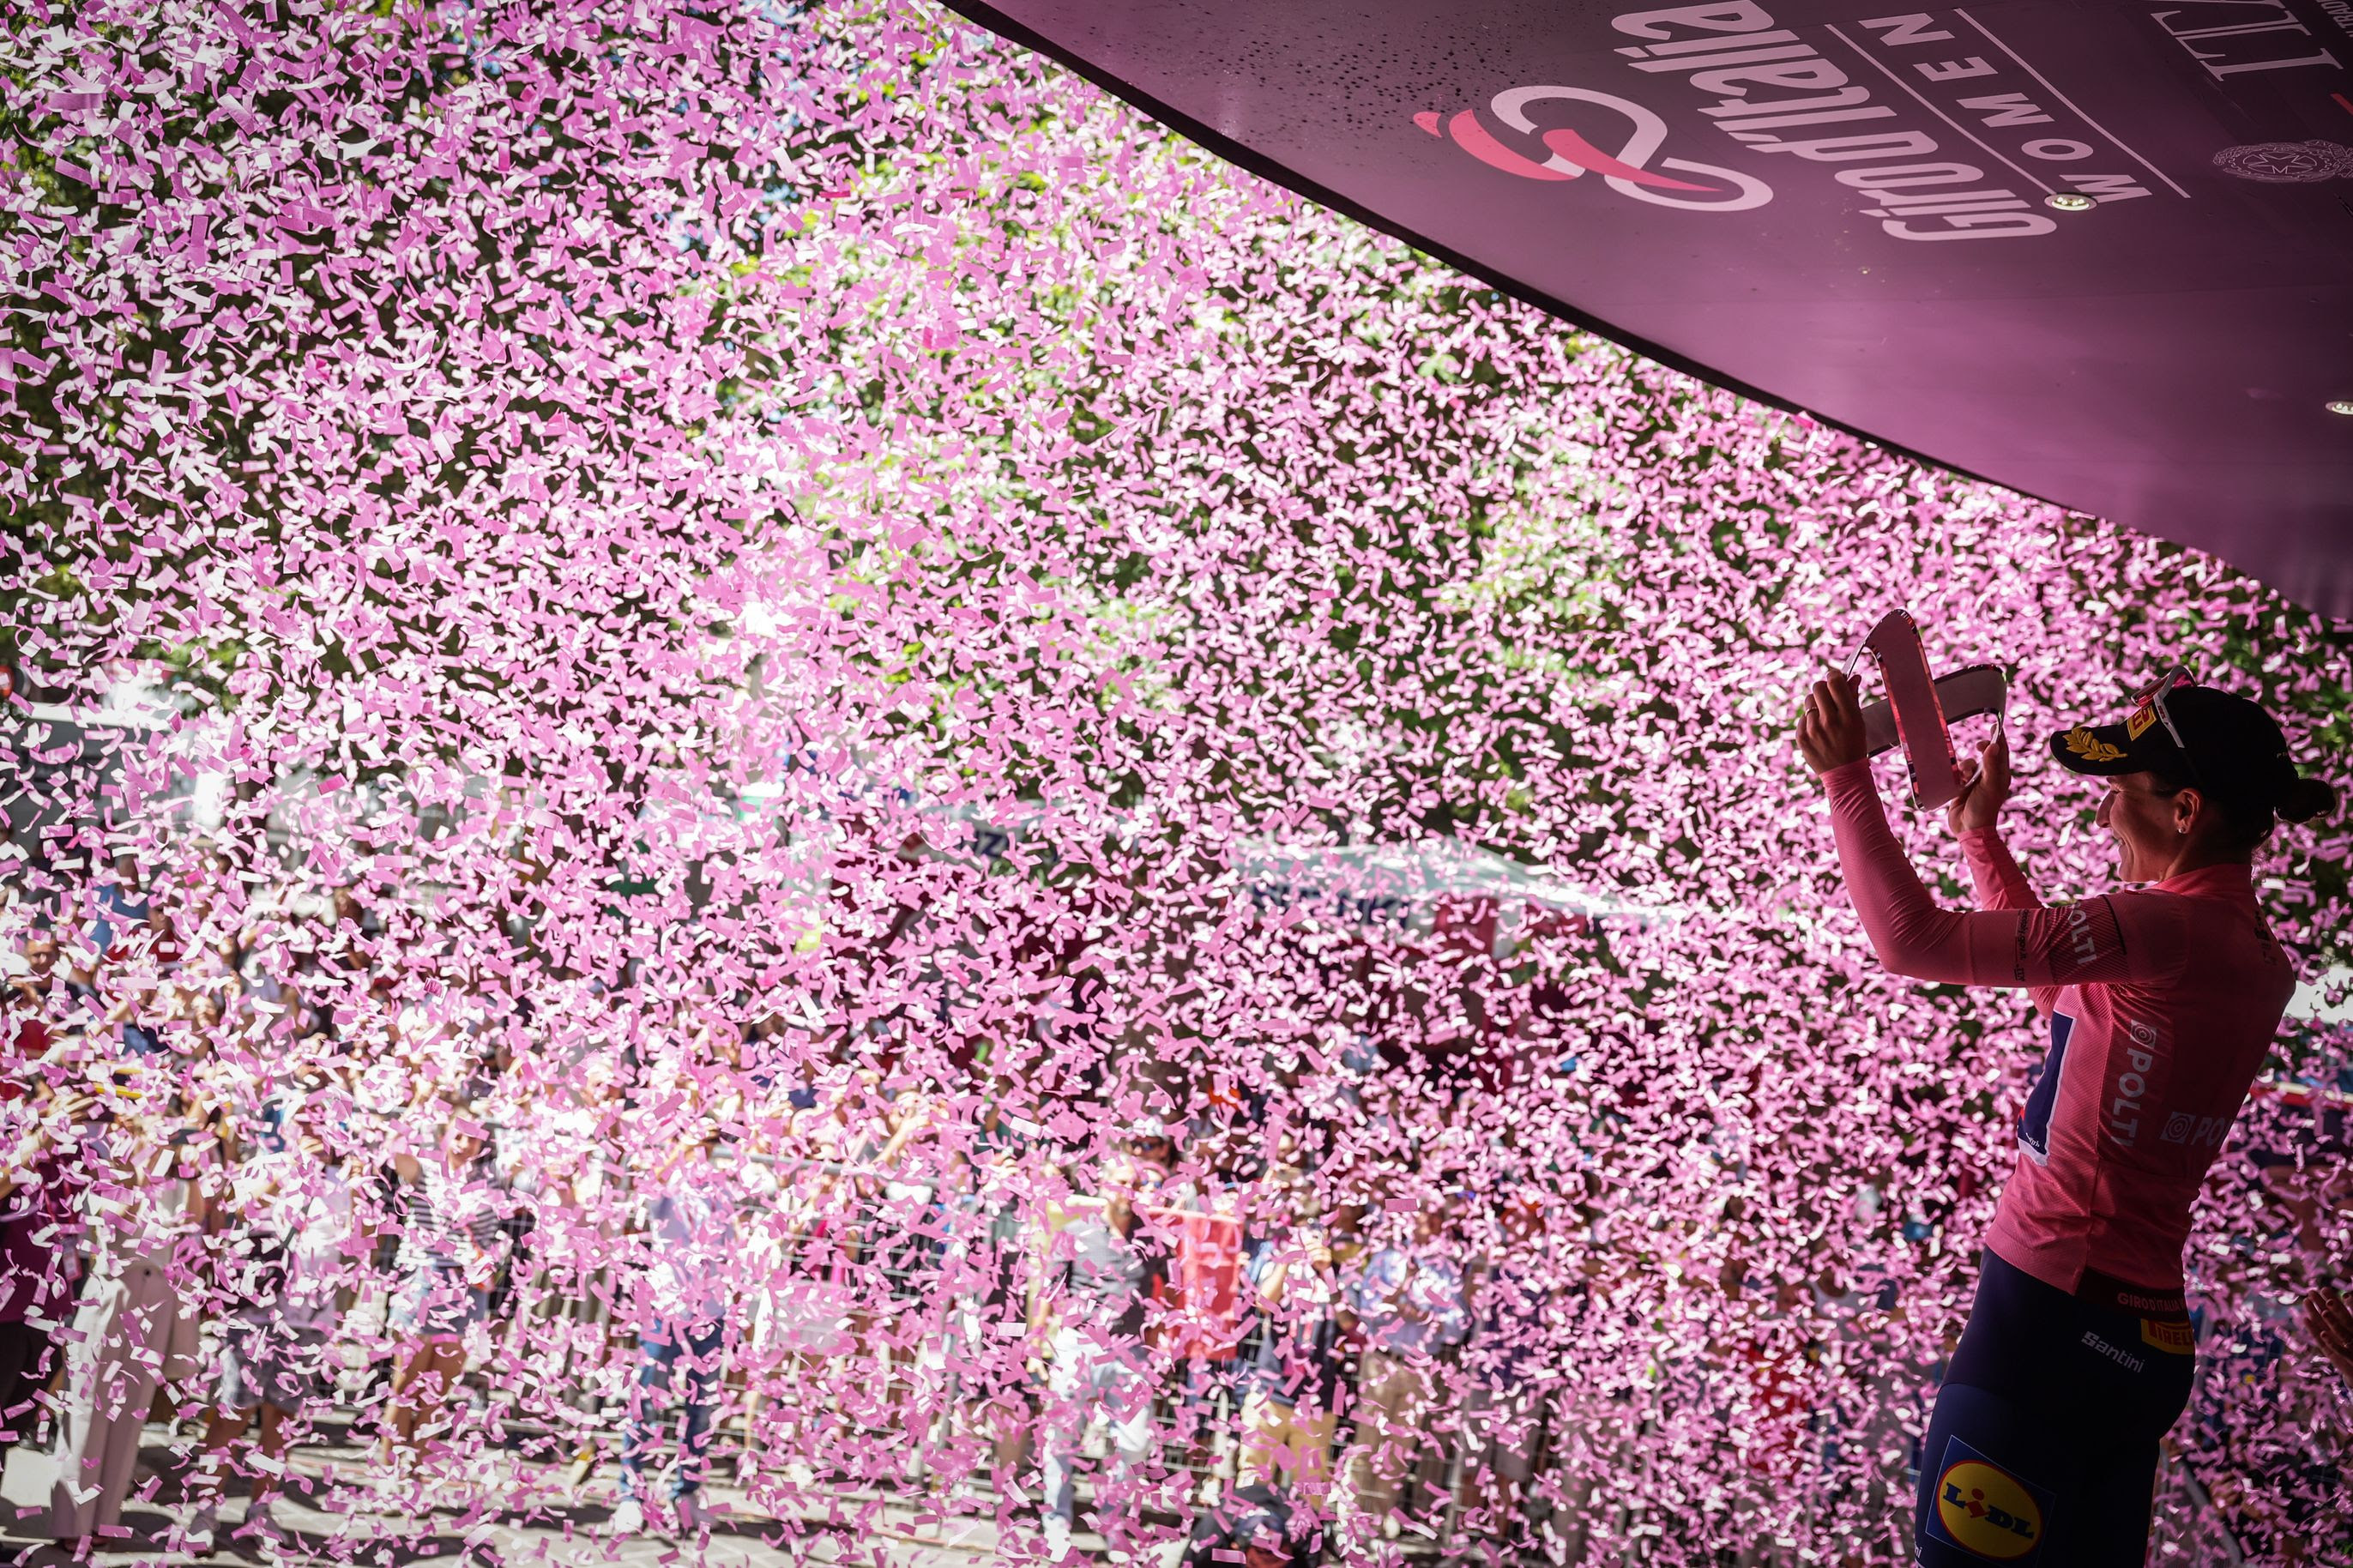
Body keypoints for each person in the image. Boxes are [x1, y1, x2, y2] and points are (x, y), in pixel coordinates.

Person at [1797, 665, 2338, 1566]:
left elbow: (1910, 943)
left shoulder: (2165, 925)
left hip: (2044, 1328)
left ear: (2185, 811)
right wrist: (1979, 839)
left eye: (2122, 792)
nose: (2103, 815)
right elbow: (2058, 985)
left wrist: (1845, 776)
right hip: (2139, 1343)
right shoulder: (2250, 950)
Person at [184, 1101, 359, 1554]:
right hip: (256, 1316)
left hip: (311, 1322)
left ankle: (261, 1513)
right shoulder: (267, 1166)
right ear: (292, 1125)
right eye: (309, 1120)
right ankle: (204, 1511)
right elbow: (233, 1209)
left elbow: (355, 1251)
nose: (318, 1129)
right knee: (230, 1415)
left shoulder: (346, 1184)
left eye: (327, 1122)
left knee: (280, 1425)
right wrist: (285, 1177)